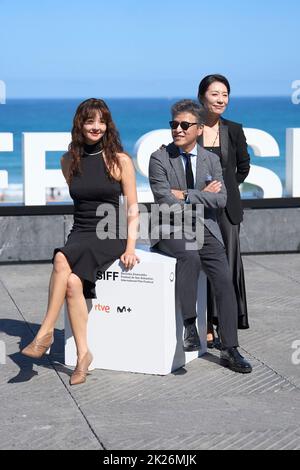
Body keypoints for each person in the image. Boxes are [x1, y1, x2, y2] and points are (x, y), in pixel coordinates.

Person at [22, 98, 140, 385]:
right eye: (90, 121)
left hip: (110, 232)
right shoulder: (68, 160)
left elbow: (133, 208)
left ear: (108, 125)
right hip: (81, 230)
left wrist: (130, 247)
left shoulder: (119, 161)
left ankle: (45, 332)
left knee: (61, 258)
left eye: (101, 121)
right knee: (73, 283)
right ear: (80, 125)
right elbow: (81, 201)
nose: (96, 127)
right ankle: (83, 356)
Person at [148, 99, 252, 374]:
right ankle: (191, 326)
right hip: (170, 229)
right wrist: (202, 195)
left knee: (224, 280)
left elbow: (221, 200)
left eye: (185, 125)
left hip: (206, 229)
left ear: (199, 128)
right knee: (189, 255)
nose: (178, 130)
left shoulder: (211, 159)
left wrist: (187, 195)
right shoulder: (159, 158)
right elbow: (164, 200)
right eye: (174, 125)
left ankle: (230, 348)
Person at [197, 74, 250, 348]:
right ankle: (204, 323)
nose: (221, 99)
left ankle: (223, 322)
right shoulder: (190, 128)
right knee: (203, 266)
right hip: (198, 211)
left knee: (226, 267)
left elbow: (244, 166)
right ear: (202, 96)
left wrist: (226, 189)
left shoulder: (234, 129)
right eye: (215, 93)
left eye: (225, 94)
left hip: (227, 211)